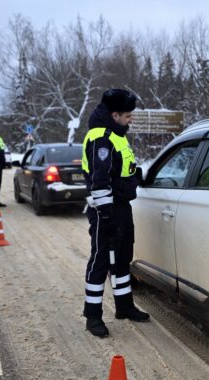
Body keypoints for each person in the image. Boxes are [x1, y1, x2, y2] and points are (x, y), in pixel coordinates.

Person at [82, 89, 150, 338]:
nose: (130, 119)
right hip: (105, 210)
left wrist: (135, 177)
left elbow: (120, 169)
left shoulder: (117, 135)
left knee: (122, 258)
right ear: (114, 114)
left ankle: (124, 306)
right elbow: (99, 180)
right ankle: (92, 315)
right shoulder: (101, 138)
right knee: (101, 260)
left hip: (121, 207)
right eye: (128, 115)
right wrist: (107, 213)